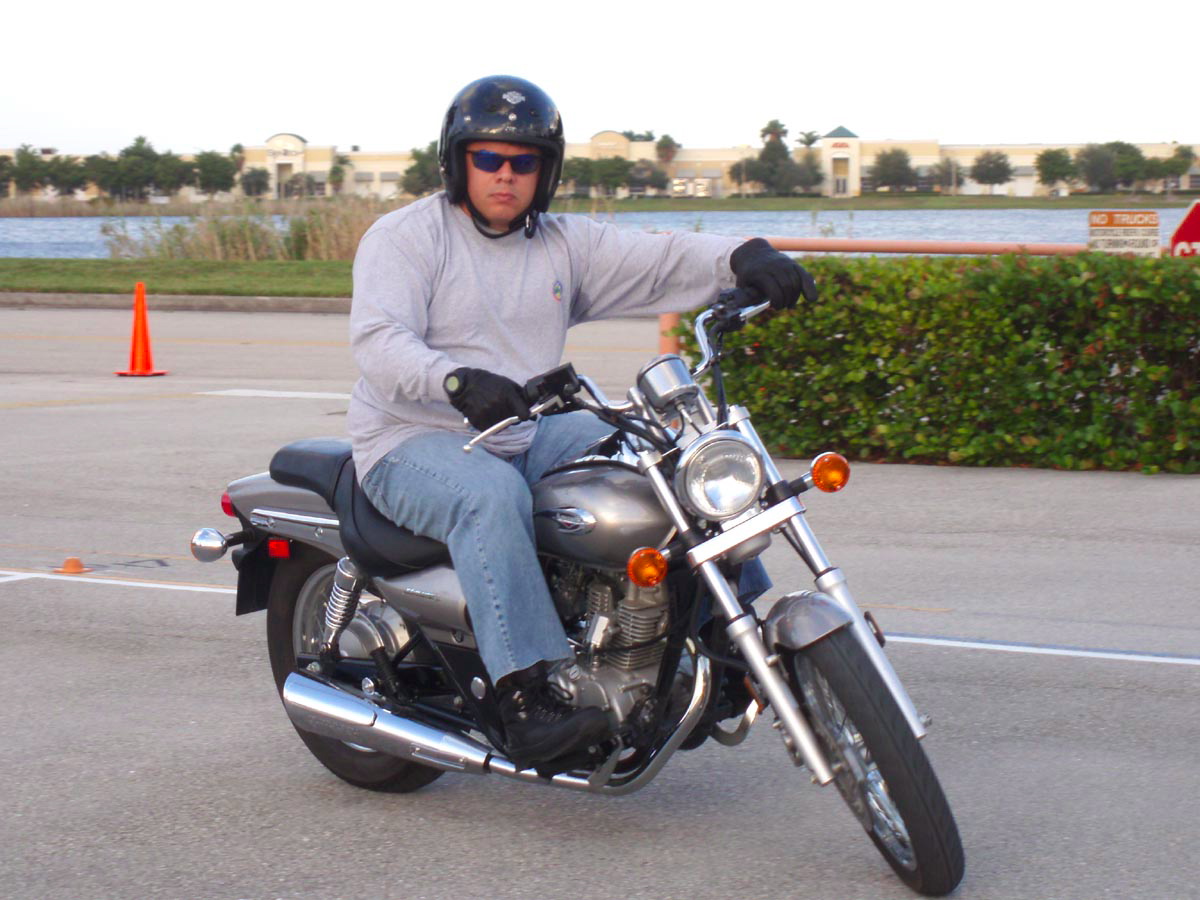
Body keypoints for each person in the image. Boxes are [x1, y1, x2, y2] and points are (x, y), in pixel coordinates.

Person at [347, 75, 817, 766]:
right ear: (457, 161)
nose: (506, 174)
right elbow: (379, 339)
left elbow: (658, 257)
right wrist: (454, 380)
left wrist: (744, 255)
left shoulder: (561, 244)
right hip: (410, 438)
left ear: (546, 171)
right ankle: (525, 692)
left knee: (659, 457)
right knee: (489, 496)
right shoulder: (406, 237)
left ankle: (727, 631)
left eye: (524, 161)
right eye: (488, 158)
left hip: (521, 429)